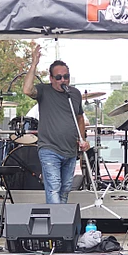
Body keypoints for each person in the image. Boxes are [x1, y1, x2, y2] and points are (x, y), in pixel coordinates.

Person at [22, 43, 89, 204]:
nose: (63, 80)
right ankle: (56, 226)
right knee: (54, 187)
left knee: (65, 189)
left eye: (66, 76)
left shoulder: (74, 93)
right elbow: (26, 90)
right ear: (51, 78)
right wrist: (34, 64)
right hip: (49, 148)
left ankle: (61, 223)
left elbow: (80, 117)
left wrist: (82, 138)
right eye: (58, 77)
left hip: (70, 151)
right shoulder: (44, 90)